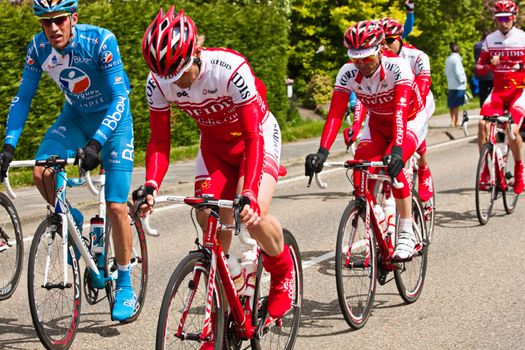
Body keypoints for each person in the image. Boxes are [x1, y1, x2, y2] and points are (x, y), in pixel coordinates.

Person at [137, 7, 294, 348]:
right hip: (215, 149)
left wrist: (249, 193)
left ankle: (282, 274)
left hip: (257, 140)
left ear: (195, 51)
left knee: (253, 218)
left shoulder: (229, 70)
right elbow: (159, 141)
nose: (173, 82)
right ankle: (227, 296)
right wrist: (151, 184)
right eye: (164, 76)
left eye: (179, 73)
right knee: (206, 218)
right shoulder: (158, 82)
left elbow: (253, 137)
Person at [0, 0, 136, 321]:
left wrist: (96, 144)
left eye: (59, 20)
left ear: (73, 17)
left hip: (113, 123)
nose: (54, 28)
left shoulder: (100, 41)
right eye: (46, 22)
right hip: (75, 118)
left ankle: (126, 283)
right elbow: (23, 97)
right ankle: (71, 218)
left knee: (116, 206)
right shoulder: (37, 49)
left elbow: (121, 97)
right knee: (41, 172)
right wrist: (8, 147)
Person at [305, 20, 428, 260]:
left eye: (367, 59)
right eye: (356, 59)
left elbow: (401, 112)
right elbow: (336, 114)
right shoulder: (347, 73)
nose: (362, 65)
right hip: (378, 124)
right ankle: (379, 219)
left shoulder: (399, 67)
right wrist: (322, 152)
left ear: (381, 50)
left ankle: (406, 232)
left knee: (395, 167)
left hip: (410, 120)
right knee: (360, 171)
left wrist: (398, 150)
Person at [379, 17, 434, 202]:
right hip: (394, 103)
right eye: (381, 41)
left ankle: (424, 169)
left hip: (419, 99)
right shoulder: (379, 58)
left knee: (415, 124)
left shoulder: (417, 56)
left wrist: (407, 110)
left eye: (389, 40)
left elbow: (423, 87)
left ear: (400, 38)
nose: (385, 45)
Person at [475, 0, 525, 194]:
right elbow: (479, 69)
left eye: (506, 19)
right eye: (499, 19)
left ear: (513, 18)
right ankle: (486, 170)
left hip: (519, 91)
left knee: (512, 129)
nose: (502, 23)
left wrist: (520, 66)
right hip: (498, 92)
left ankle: (519, 170)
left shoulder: (522, 38)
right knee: (482, 125)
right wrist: (489, 66)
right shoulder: (490, 40)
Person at [445, 43, 467, 127]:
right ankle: (456, 120)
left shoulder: (449, 59)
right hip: (458, 85)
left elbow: (446, 72)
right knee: (456, 104)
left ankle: (452, 120)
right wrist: (462, 80)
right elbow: (458, 72)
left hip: (451, 84)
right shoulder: (456, 59)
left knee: (451, 103)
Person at [474, 30, 494, 107]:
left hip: (481, 73)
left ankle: (483, 108)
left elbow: (476, 59)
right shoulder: (491, 44)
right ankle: (491, 107)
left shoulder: (477, 45)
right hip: (491, 72)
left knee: (482, 93)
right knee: (493, 93)